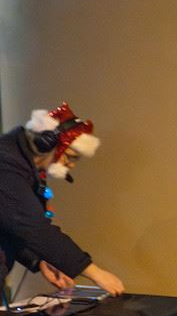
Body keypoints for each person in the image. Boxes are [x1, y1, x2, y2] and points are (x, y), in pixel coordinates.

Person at [0, 102, 124, 298]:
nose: (71, 166)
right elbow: (33, 228)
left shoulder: (16, 163)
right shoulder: (6, 165)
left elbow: (9, 225)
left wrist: (38, 260)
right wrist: (95, 273)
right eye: (71, 157)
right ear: (46, 143)